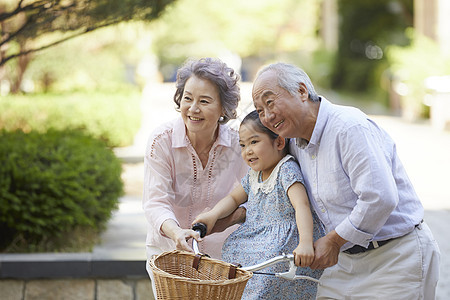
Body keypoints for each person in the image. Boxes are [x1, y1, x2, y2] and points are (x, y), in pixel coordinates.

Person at [250, 62, 441, 299]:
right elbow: (264, 183)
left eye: (270, 102)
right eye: (259, 110)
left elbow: (380, 198)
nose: (267, 117)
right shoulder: (293, 142)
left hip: (395, 257)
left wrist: (333, 241)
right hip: (344, 264)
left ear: (301, 91)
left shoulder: (348, 127)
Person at [142, 57, 249, 296]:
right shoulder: (162, 141)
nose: (193, 108)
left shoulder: (239, 145)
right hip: (169, 257)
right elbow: (155, 201)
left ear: (224, 107)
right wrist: (176, 233)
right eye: (187, 98)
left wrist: (223, 220)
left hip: (222, 262)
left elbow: (253, 200)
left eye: (204, 101)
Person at [193, 110, 324, 299]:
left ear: (279, 142)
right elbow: (233, 199)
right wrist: (213, 215)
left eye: (254, 142)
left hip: (282, 243)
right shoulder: (254, 174)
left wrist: (305, 243)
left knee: (269, 266)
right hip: (257, 236)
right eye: (243, 145)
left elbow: (302, 206)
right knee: (233, 248)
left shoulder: (286, 169)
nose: (247, 151)